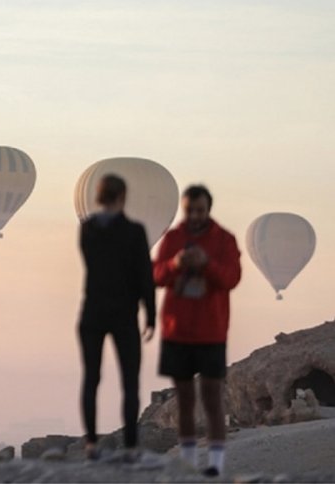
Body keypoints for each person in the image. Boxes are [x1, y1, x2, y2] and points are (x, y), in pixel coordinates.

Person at [153, 185, 241, 477]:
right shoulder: (173, 238)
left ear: (208, 209)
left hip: (211, 331)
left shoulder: (224, 240)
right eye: (189, 210)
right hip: (177, 331)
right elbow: (155, 274)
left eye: (199, 210)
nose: (194, 215)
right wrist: (175, 263)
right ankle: (189, 461)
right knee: (185, 399)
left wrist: (208, 265)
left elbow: (232, 278)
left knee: (213, 398)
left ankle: (215, 463)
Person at [78, 174, 156, 461]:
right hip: (124, 313)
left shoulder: (88, 229)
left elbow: (93, 264)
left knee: (91, 378)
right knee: (130, 381)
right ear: (122, 196)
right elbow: (144, 275)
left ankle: (90, 444)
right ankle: (132, 445)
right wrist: (151, 313)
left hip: (93, 311)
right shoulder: (134, 231)